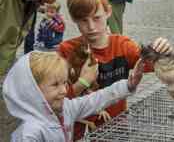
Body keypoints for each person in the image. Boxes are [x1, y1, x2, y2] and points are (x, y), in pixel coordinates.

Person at [58, 0, 172, 140]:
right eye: (83, 20)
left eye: (96, 18)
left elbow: (156, 64)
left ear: (108, 12)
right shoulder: (66, 50)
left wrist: (162, 51)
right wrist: (83, 82)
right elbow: (57, 100)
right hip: (77, 132)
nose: (91, 27)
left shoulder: (122, 46)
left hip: (115, 127)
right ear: (73, 19)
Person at [2, 51, 144, 141]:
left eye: (64, 83)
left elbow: (96, 99)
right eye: (55, 84)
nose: (64, 90)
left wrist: (128, 85)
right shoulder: (29, 133)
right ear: (32, 90)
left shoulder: (65, 108)